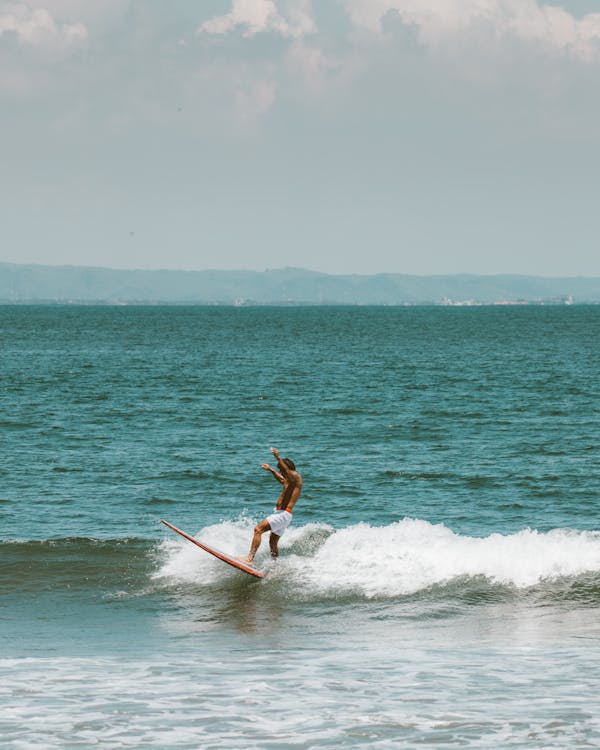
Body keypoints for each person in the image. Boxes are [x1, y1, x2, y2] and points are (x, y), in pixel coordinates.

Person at [239, 447, 302, 565]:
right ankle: (275, 566)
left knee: (258, 530)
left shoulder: (296, 477)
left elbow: (286, 472)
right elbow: (281, 479)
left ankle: (249, 559)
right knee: (272, 543)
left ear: (288, 469)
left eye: (283, 470)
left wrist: (277, 456)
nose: (282, 473)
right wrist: (271, 470)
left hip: (283, 514)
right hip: (283, 515)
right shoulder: (289, 481)